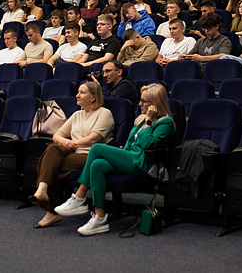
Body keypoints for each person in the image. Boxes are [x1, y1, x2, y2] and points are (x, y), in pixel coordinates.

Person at [55, 83, 175, 236]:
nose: (140, 104)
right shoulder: (140, 120)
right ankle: (99, 217)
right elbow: (131, 143)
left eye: (144, 101)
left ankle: (80, 196)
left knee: (97, 148)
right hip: (132, 159)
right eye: (141, 100)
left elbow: (147, 144)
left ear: (155, 103)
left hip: (146, 166)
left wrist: (149, 121)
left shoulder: (166, 122)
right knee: (98, 164)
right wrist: (122, 151)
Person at [30, 81, 116, 227]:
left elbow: (93, 138)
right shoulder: (77, 114)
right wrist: (65, 142)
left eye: (82, 92)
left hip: (91, 155)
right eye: (78, 92)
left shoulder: (104, 113)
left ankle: (50, 211)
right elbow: (57, 135)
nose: (77, 95)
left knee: (51, 165)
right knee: (52, 149)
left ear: (93, 97)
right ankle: (42, 189)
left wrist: (73, 143)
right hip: (73, 151)